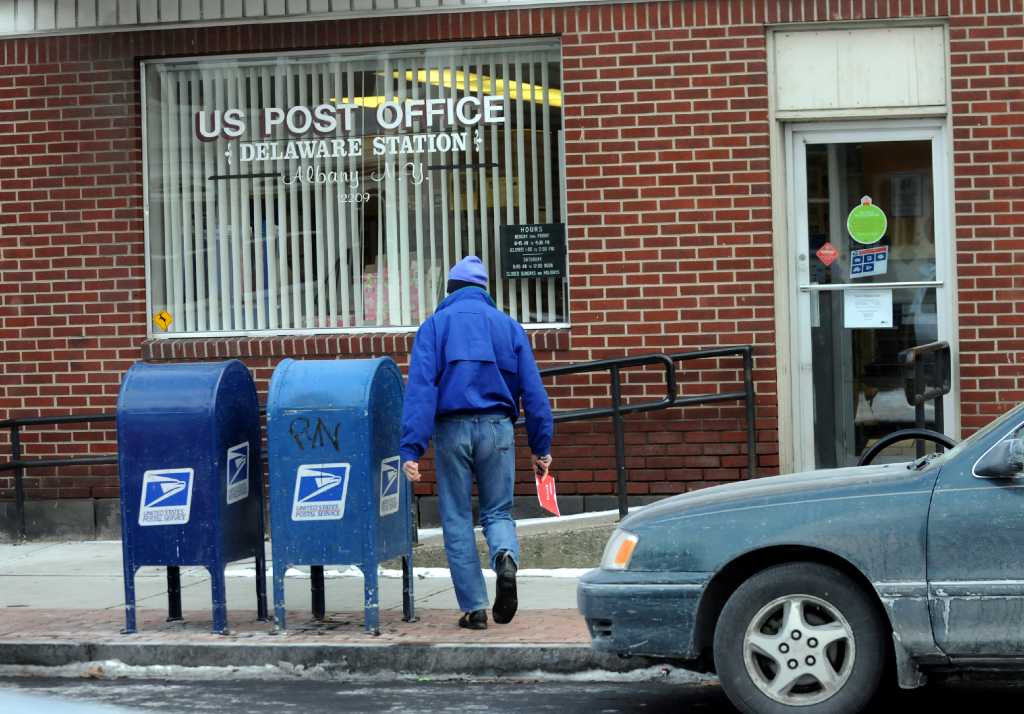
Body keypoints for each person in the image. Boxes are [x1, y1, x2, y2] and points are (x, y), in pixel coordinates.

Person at [400, 256, 553, 630]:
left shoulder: (435, 326)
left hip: (452, 429)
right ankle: (505, 558)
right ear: (484, 291)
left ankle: (475, 609)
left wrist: (411, 448)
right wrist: (541, 445)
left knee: (455, 518)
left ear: (450, 290)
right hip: (499, 429)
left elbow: (421, 390)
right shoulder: (509, 327)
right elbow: (533, 392)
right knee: (498, 512)